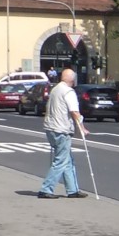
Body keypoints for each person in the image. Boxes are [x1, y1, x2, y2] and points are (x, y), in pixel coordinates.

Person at [38, 68, 90, 198]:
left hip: (51, 128)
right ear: (73, 80)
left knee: (67, 159)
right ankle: (46, 189)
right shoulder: (68, 92)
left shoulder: (55, 89)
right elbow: (74, 112)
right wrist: (82, 128)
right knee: (61, 160)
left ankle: (72, 189)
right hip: (61, 129)